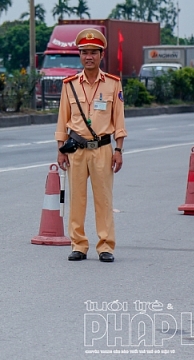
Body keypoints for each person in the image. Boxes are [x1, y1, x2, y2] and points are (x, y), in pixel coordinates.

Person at [55, 28, 126, 263]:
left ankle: (105, 245)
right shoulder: (70, 84)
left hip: (103, 149)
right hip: (76, 150)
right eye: (84, 52)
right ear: (80, 55)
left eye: (93, 52)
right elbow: (62, 117)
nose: (89, 57)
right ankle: (79, 244)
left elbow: (119, 119)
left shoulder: (113, 85)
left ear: (101, 55)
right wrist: (60, 147)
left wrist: (119, 149)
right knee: (77, 200)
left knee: (103, 199)